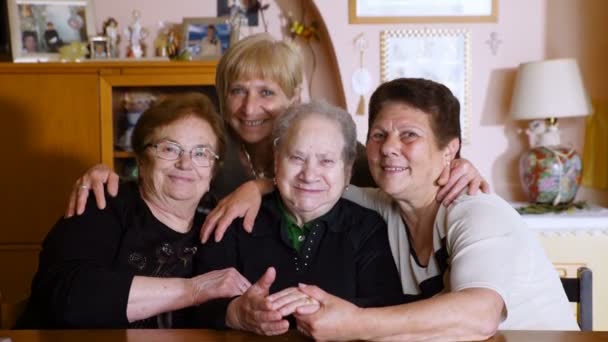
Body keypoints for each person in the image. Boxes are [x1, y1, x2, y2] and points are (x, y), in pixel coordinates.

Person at [64, 33, 487, 231]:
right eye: (237, 92)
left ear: (293, 97)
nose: (250, 108)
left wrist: (456, 165)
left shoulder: (327, 143)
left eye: (267, 92)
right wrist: (107, 174)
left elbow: (390, 167)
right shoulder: (211, 143)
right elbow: (159, 179)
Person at [288, 78, 579, 340]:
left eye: (409, 135)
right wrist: (256, 189)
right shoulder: (380, 207)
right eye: (378, 135)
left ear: (449, 151)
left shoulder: (477, 211)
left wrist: (355, 323)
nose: (389, 147)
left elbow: (480, 315)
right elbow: (313, 187)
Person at [15, 93, 251, 329]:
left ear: (213, 171)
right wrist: (192, 290)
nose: (185, 164)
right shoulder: (103, 201)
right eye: (169, 149)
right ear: (141, 159)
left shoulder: (219, 223)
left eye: (201, 153)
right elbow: (67, 298)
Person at [193, 100, 403, 336]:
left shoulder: (367, 228)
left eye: (326, 161)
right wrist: (236, 313)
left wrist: (325, 308)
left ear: (347, 171)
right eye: (296, 158)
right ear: (276, 160)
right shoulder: (235, 219)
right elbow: (198, 303)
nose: (309, 174)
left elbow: (386, 308)